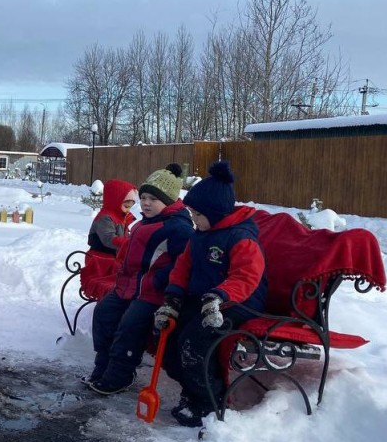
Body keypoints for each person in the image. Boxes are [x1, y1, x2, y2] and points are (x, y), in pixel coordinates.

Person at [156, 160, 267, 427]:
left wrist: (219, 297)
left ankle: (209, 401)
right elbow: (182, 269)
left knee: (195, 343)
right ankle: (191, 391)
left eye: (197, 215)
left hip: (237, 303)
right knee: (167, 335)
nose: (193, 220)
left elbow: (246, 276)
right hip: (203, 301)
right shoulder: (200, 236)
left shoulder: (241, 238)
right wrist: (172, 299)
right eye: (192, 214)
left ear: (215, 213)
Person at [85, 164, 194, 395]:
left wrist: (157, 281)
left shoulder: (178, 228)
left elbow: (182, 264)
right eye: (143, 197)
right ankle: (102, 366)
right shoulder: (144, 223)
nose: (145, 203)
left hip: (153, 292)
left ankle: (119, 376)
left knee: (130, 326)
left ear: (169, 200)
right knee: (103, 312)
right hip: (129, 287)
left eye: (153, 199)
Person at [80, 179, 137, 298]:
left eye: (130, 207)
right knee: (123, 277)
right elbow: (108, 238)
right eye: (126, 206)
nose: (128, 210)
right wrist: (128, 243)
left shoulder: (121, 217)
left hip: (112, 258)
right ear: (115, 201)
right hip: (99, 259)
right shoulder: (105, 218)